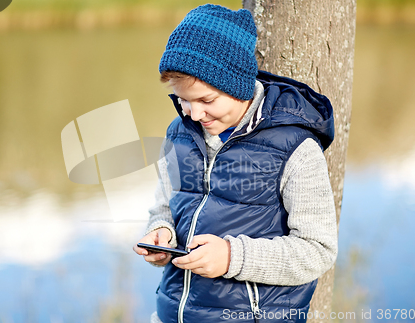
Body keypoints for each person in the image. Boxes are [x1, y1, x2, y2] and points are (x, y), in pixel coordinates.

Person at [132, 4, 338, 323]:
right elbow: (165, 207)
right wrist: (160, 232)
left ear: (237, 85)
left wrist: (231, 258)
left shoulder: (295, 147)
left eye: (206, 100)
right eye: (183, 100)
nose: (194, 114)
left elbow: (317, 250)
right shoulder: (179, 134)